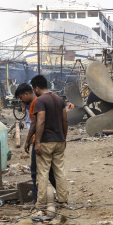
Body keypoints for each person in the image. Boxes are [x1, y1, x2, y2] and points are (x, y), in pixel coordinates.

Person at [30, 75, 69, 208]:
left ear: (36, 87)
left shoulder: (40, 101)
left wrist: (38, 142)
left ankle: (40, 202)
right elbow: (65, 120)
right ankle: (63, 200)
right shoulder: (59, 99)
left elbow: (40, 121)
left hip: (46, 141)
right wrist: (64, 138)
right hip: (59, 140)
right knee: (60, 171)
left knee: (43, 172)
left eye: (33, 88)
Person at [15, 83, 56, 204]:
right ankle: (61, 195)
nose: (21, 101)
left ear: (26, 94)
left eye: (21, 98)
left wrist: (29, 141)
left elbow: (35, 124)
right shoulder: (40, 102)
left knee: (36, 172)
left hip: (40, 142)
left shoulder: (36, 103)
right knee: (50, 172)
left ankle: (38, 199)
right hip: (49, 140)